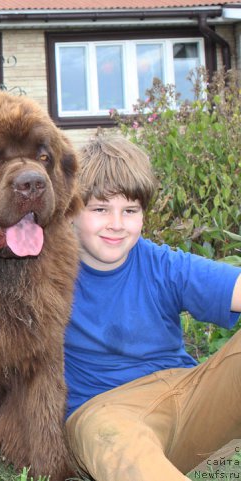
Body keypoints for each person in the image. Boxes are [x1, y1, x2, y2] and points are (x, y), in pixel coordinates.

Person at [63, 133, 241, 481]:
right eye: (100, 209)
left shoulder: (163, 265)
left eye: (130, 210)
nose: (117, 224)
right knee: (109, 436)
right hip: (106, 409)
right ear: (71, 211)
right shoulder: (48, 277)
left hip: (190, 398)